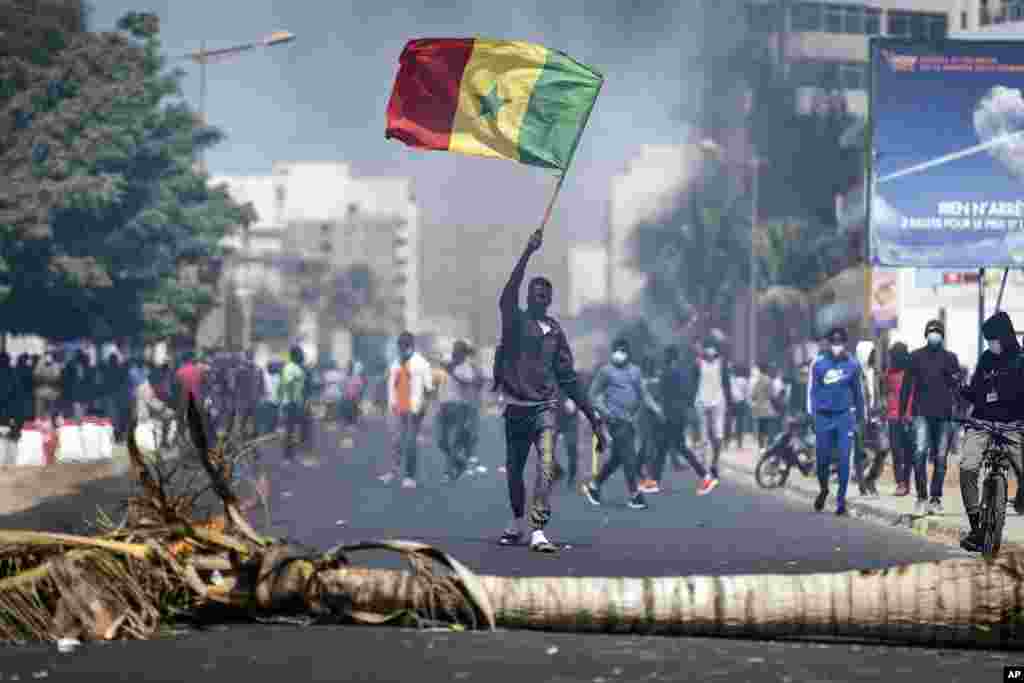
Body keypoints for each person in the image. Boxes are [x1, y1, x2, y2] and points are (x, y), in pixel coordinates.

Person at [493, 228, 607, 553]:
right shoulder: (514, 321)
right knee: (514, 472)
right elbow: (506, 295)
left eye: (545, 295)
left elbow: (569, 377)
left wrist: (592, 415)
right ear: (528, 298)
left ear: (549, 300)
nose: (539, 298)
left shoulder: (555, 332)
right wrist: (527, 253)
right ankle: (516, 522)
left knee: (545, 466)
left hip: (545, 409)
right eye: (535, 294)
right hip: (516, 408)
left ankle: (538, 529)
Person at [958, 311, 1024, 552]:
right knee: (967, 467)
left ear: (1004, 337)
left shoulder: (1021, 360)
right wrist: (963, 390)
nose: (990, 345)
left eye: (993, 339)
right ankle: (976, 528)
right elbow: (976, 391)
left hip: (1013, 426)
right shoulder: (986, 359)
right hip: (982, 423)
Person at [582, 338, 662, 510]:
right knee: (629, 456)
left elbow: (644, 394)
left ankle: (594, 486)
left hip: (630, 420)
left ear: (628, 353)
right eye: (617, 350)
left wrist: (655, 408)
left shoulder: (635, 371)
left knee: (617, 458)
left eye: (623, 350)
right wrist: (605, 412)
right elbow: (592, 395)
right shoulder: (606, 372)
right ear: (613, 352)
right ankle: (635, 495)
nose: (620, 353)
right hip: (615, 420)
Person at [899, 319, 961, 516]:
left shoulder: (950, 358)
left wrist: (960, 412)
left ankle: (935, 498)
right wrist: (902, 413)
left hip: (944, 415)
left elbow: (958, 387)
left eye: (938, 331)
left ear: (942, 335)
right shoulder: (915, 357)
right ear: (926, 334)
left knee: (941, 458)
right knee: (919, 454)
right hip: (921, 413)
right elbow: (906, 386)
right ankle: (921, 498)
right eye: (931, 331)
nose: (934, 334)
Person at [643, 345, 718, 495]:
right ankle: (654, 481)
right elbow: (688, 393)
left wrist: (662, 413)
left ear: (667, 358)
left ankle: (705, 476)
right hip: (679, 415)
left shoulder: (666, 373)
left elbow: (663, 395)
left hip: (670, 415)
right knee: (665, 448)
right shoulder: (682, 373)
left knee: (675, 448)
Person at [810, 327, 865, 516]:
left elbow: (859, 395)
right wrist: (812, 416)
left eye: (840, 342)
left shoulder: (852, 365)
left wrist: (860, 419)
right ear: (828, 343)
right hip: (823, 417)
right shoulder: (818, 364)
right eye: (833, 342)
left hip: (844, 417)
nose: (836, 346)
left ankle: (841, 500)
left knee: (843, 459)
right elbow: (812, 392)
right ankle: (824, 489)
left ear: (845, 343)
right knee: (822, 460)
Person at [380, 332, 434, 489]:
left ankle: (410, 476)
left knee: (410, 441)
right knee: (396, 441)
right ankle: (393, 472)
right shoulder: (395, 364)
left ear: (411, 346)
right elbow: (391, 386)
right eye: (401, 346)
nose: (402, 349)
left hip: (414, 408)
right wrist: (391, 404)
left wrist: (426, 408)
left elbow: (429, 387)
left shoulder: (421, 363)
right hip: (398, 408)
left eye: (405, 346)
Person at [437, 340, 480, 482]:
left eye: (460, 352)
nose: (457, 355)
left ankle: (449, 472)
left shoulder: (466, 367)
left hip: (459, 406)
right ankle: (460, 462)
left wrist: (452, 372)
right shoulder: (448, 363)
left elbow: (468, 382)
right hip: (443, 405)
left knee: (455, 441)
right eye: (455, 351)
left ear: (463, 354)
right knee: (441, 441)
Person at [694, 338, 732, 480]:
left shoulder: (721, 364)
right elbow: (693, 381)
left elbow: (726, 382)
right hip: (701, 401)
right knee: (704, 437)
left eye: (712, 349)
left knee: (718, 435)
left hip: (718, 401)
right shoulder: (698, 364)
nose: (710, 352)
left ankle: (714, 464)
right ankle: (704, 468)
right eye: (707, 349)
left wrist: (729, 402)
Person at [884, 342, 915, 497]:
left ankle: (906, 481)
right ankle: (900, 483)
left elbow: (914, 394)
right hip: (893, 417)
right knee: (896, 451)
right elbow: (886, 392)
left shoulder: (911, 372)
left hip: (907, 416)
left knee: (908, 451)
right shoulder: (888, 372)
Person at [277, 346, 307, 463]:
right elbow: (288, 384)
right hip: (291, 403)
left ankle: (291, 454)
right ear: (295, 355)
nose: (302, 356)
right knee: (289, 430)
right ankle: (287, 456)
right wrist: (291, 400)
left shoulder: (295, 367)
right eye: (300, 354)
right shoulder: (290, 367)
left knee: (293, 429)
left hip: (294, 402)